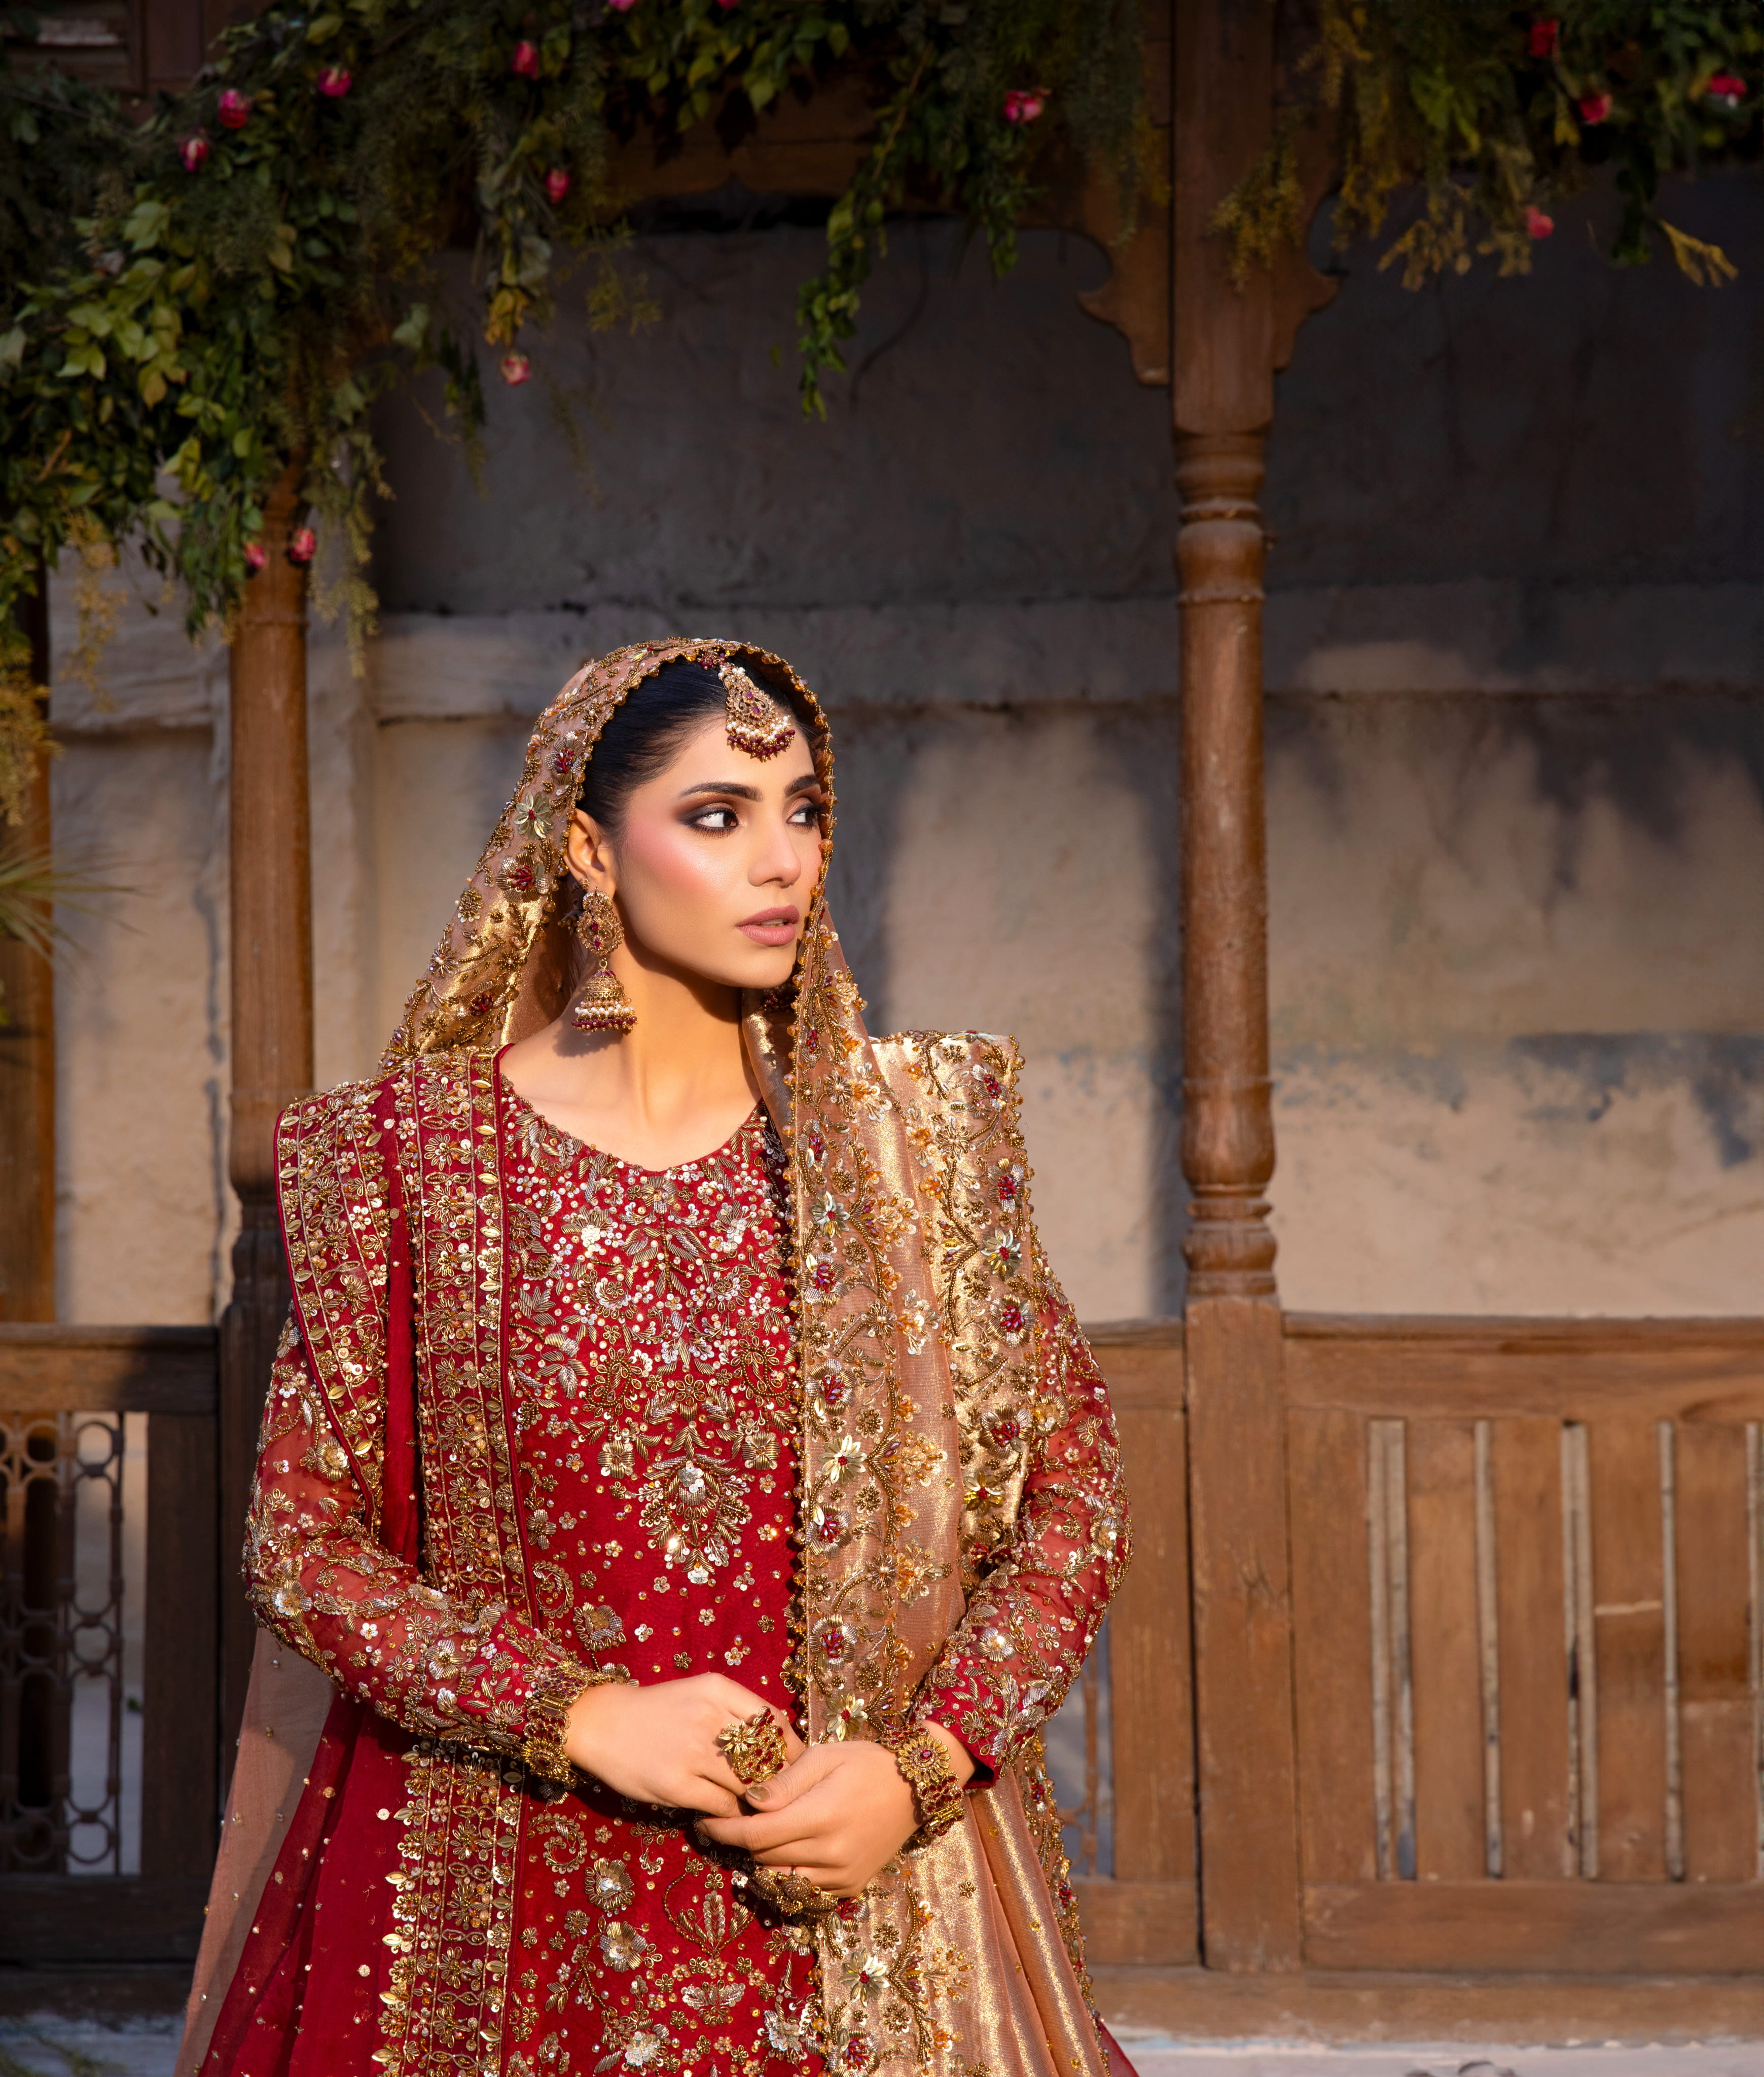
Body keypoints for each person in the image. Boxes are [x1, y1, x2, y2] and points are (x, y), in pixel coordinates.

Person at [179, 640, 1133, 2077]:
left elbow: (1077, 1498)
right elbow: (301, 1546)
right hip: (499, 1891)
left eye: (804, 812)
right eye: (716, 816)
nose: (782, 861)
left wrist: (921, 1768)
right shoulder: (403, 1162)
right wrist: (577, 1716)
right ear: (587, 850)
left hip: (856, 1900)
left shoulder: (909, 1156)